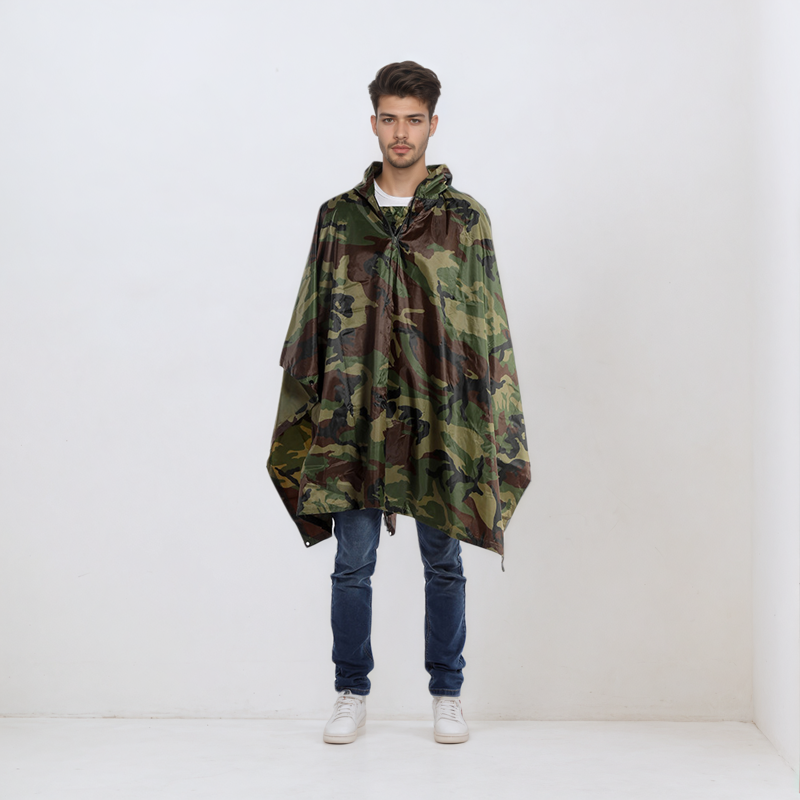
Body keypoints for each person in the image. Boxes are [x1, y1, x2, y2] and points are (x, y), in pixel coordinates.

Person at [266, 61, 530, 745]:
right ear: (374, 122)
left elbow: (486, 329)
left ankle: (447, 692)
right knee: (352, 564)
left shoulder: (464, 220)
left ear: (433, 124)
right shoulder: (339, 218)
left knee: (443, 562)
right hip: (354, 418)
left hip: (437, 419)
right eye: (389, 118)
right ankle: (350, 691)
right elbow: (313, 321)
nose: (401, 133)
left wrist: (487, 419)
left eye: (414, 119)